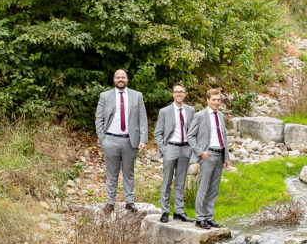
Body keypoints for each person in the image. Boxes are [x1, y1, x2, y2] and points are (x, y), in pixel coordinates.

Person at [95, 69, 147, 213]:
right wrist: (102, 139)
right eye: (118, 77)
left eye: (123, 77)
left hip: (130, 140)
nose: (120, 80)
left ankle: (129, 201)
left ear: (127, 79)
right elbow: (99, 118)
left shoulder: (137, 96)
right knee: (112, 173)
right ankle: (110, 202)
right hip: (110, 139)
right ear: (114, 79)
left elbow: (142, 118)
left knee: (129, 172)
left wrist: (143, 138)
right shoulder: (105, 96)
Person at [187, 88, 231, 229]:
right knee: (203, 187)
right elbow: (190, 136)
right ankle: (200, 218)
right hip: (207, 155)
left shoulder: (221, 116)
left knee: (214, 189)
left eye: (218, 100)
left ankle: (209, 217)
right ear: (207, 100)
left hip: (219, 155)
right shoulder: (200, 115)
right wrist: (200, 152)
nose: (216, 102)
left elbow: (224, 137)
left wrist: (226, 156)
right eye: (214, 100)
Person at [154, 83, 195, 223]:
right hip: (170, 148)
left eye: (181, 92)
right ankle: (165, 211)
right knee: (167, 181)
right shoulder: (165, 111)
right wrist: (163, 149)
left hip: (185, 149)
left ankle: (179, 211)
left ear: (185, 94)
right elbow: (158, 133)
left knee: (180, 182)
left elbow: (193, 131)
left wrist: (191, 148)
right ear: (172, 94)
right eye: (176, 92)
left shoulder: (190, 110)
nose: (179, 94)